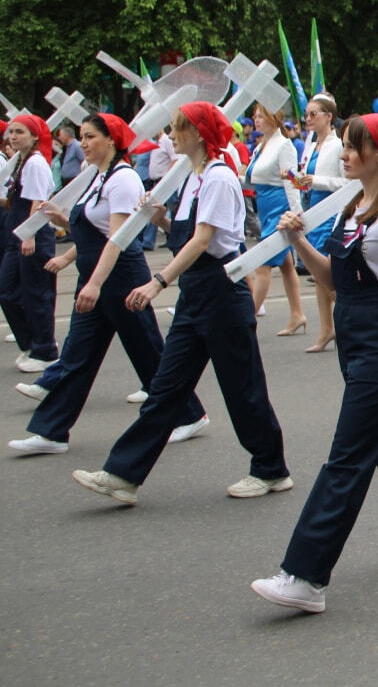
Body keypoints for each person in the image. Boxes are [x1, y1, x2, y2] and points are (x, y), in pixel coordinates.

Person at [251, 114, 378, 614]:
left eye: (352, 147)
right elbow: (336, 282)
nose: (342, 154)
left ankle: (304, 575)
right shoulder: (350, 204)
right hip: (353, 332)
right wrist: (297, 241)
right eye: (342, 145)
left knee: (347, 457)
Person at [71, 101, 290, 505]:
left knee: (243, 390)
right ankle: (122, 474)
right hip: (196, 295)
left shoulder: (220, 177)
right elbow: (186, 233)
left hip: (223, 292)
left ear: (199, 132)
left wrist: (157, 282)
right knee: (165, 389)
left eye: (178, 128)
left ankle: (270, 469)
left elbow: (204, 241)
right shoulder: (193, 176)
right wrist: (159, 219)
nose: (171, 135)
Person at [8, 114, 207, 455]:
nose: (83, 143)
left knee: (149, 352)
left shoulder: (124, 180)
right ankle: (51, 431)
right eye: (81, 137)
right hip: (98, 278)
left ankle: (189, 414)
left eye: (90, 137)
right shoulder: (97, 177)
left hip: (120, 279)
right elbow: (90, 233)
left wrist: (94, 284)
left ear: (111, 141)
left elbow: (116, 239)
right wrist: (62, 228)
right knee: (77, 357)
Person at [0, 115, 60, 373]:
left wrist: (30, 235)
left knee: (36, 293)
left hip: (31, 236)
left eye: (20, 132)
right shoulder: (21, 161)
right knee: (8, 289)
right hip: (18, 233)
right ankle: (32, 342)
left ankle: (45, 349)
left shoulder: (35, 162)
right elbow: (16, 200)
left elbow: (37, 201)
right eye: (11, 132)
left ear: (35, 136)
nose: (13, 137)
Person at [244, 104, 306, 334]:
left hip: (280, 208)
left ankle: (247, 321)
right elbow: (252, 179)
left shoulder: (284, 144)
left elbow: (292, 181)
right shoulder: (262, 145)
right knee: (286, 264)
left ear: (273, 118)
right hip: (265, 206)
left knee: (263, 265)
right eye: (255, 116)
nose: (256, 120)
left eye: (261, 116)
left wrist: (297, 213)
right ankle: (297, 313)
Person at [296, 92, 346, 353]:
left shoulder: (338, 146)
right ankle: (326, 328)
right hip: (312, 207)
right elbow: (306, 176)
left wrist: (317, 181)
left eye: (313, 114)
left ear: (329, 116)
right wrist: (296, 178)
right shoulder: (310, 143)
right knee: (317, 275)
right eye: (306, 115)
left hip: (331, 209)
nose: (308, 119)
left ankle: (350, 315)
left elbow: (348, 183)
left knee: (327, 274)